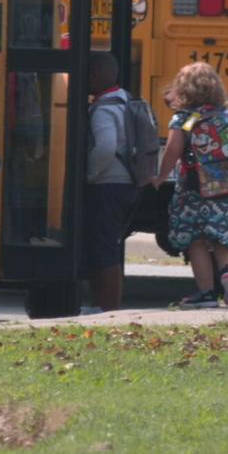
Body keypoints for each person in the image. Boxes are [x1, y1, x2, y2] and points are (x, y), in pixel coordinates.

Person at [153, 62, 228, 309]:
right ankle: (227, 273)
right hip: (226, 186)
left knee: (196, 239)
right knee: (223, 235)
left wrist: (161, 176)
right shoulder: (227, 116)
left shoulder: (184, 119)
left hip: (194, 188)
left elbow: (174, 150)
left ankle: (206, 292)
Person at [83, 52, 138, 312]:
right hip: (127, 183)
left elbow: (105, 147)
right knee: (111, 246)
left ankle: (106, 309)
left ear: (95, 76)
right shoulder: (125, 100)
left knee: (103, 250)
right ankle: (106, 307)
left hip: (108, 185)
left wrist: (91, 174)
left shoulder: (103, 109)